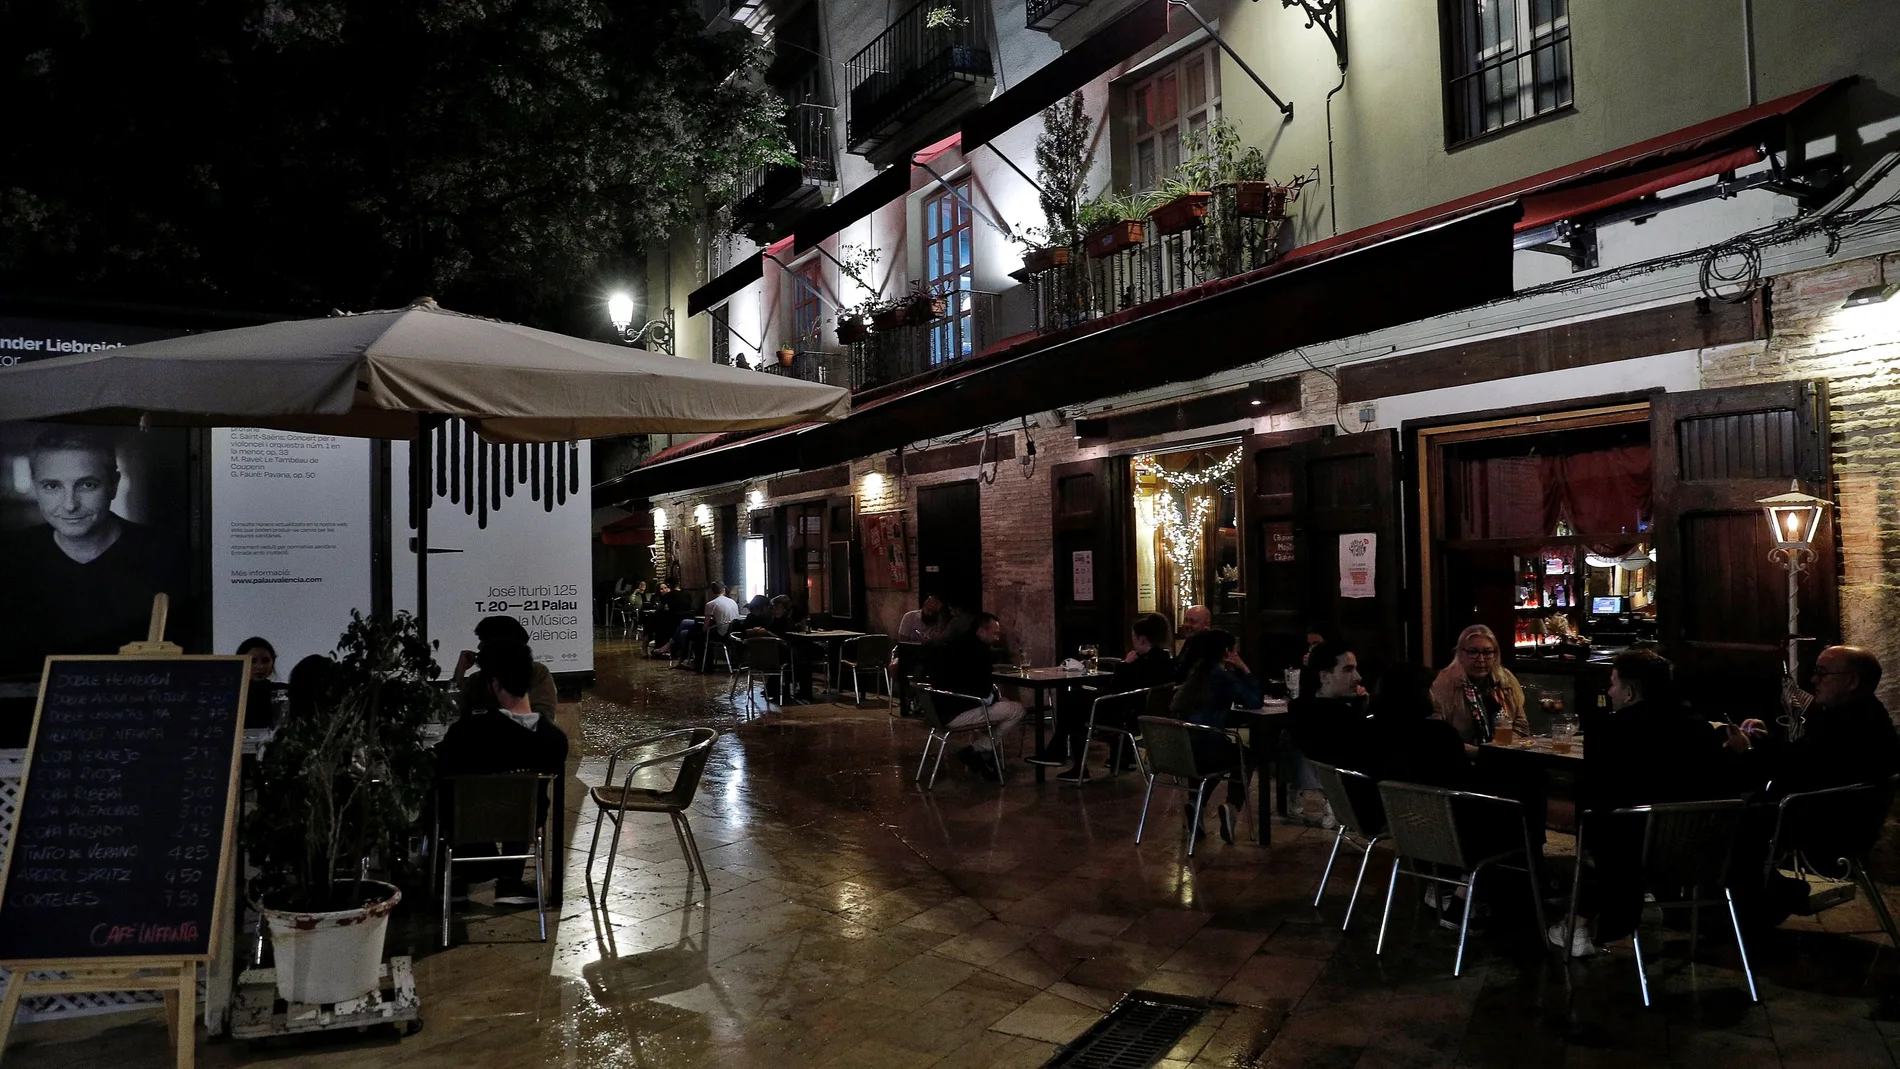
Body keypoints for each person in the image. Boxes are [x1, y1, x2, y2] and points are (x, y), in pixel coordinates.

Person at [1553, 648, 1734, 957]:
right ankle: (1587, 919)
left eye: (1612, 683)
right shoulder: (1700, 728)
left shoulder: (1610, 732)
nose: (1609, 692)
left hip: (1631, 857)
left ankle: (1576, 921)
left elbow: (1592, 797)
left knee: (1600, 831)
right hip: (1701, 855)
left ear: (1630, 691)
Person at [0, 428, 185, 667]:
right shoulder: (8, 558)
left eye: (87, 485)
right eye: (52, 486)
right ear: (36, 487)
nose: (69, 505)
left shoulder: (169, 556)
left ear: (113, 485)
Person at [435, 643, 570, 906]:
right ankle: (510, 882)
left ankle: (458, 877)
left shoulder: (465, 734)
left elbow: (439, 763)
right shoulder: (554, 740)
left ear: (495, 686)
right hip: (523, 821)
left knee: (444, 790)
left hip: (468, 824)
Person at [1731, 645, 1900, 797]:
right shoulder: (1861, 716)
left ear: (1852, 681)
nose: (1814, 680)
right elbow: (1799, 757)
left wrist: (1746, 750)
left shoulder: (1855, 728)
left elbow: (1791, 771)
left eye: (1823, 673)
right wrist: (1765, 741)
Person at [1030, 613, 1175, 780]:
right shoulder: (1165, 660)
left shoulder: (1139, 664)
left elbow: (1117, 687)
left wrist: (1125, 664)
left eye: (1134, 640)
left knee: (1074, 704)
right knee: (1079, 701)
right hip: (1141, 712)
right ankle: (1064, 753)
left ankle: (1071, 762)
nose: (1133, 644)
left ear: (1142, 640)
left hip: (1125, 714)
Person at [1169, 629, 1261, 845]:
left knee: (1218, 750)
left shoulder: (1196, 673)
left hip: (1181, 751)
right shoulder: (1221, 676)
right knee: (1244, 755)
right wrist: (1245, 669)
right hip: (1206, 749)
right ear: (1227, 652)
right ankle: (1232, 806)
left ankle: (1196, 802)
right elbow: (1254, 701)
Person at [930, 612, 1027, 782]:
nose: (997, 638)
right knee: (1017, 710)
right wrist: (996, 699)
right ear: (981, 631)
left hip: (936, 712)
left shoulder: (951, 645)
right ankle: (975, 750)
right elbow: (981, 691)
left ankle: (984, 755)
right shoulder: (980, 652)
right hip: (957, 713)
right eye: (995, 633)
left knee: (997, 708)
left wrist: (994, 697)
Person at [1362, 663, 1472, 788]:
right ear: (1420, 693)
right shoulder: (1441, 735)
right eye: (1430, 688)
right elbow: (1464, 782)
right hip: (1434, 806)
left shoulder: (1366, 730)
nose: (1434, 694)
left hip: (1381, 805)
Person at [1430, 624, 1528, 747]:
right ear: (1460, 654)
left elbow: (1521, 726)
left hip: (1504, 753)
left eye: (1487, 652)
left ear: (1495, 654)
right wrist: (1477, 752)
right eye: (1473, 652)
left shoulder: (1505, 679)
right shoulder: (1445, 683)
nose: (1481, 659)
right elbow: (1437, 734)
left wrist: (1500, 747)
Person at [452, 615, 558, 719]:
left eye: (484, 641)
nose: (479, 647)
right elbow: (453, 712)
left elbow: (543, 716)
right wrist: (459, 672)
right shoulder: (477, 680)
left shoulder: (536, 672)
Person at [236, 636, 287, 728]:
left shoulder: (283, 692)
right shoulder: (230, 695)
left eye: (265, 661)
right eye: (253, 661)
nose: (260, 666)